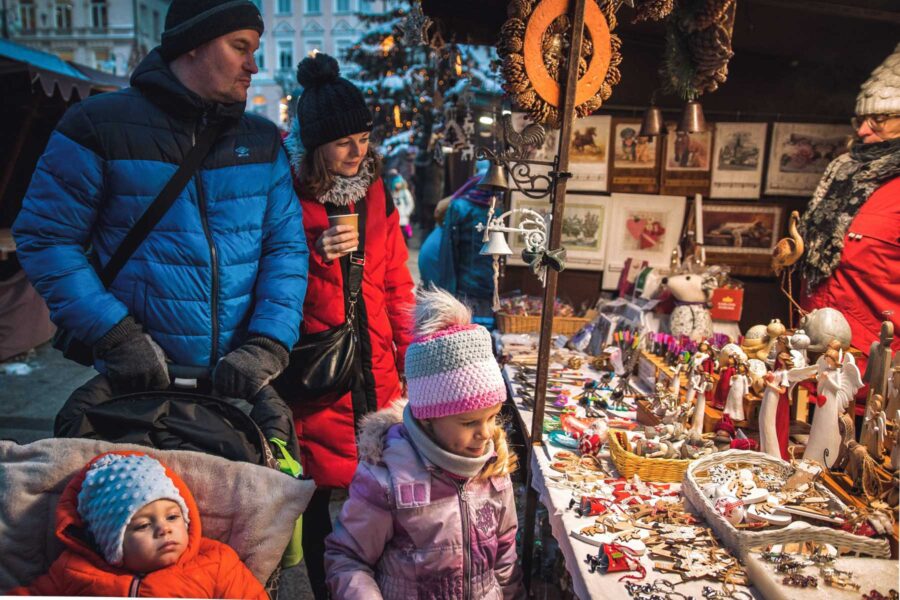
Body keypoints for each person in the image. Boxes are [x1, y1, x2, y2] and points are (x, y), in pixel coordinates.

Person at [12, 0, 308, 405]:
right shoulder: (97, 125)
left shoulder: (260, 140)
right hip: (137, 386)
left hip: (237, 387)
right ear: (193, 44)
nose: (253, 66)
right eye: (240, 47)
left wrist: (268, 341)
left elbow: (286, 247)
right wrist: (115, 336)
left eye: (254, 50)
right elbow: (46, 238)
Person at [281, 51, 415, 599]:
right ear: (315, 147)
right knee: (315, 499)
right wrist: (317, 253)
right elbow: (273, 278)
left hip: (375, 364)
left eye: (364, 137)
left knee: (379, 493)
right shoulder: (286, 194)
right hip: (316, 367)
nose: (359, 151)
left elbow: (396, 282)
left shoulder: (374, 192)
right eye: (344, 142)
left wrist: (412, 356)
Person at [324, 287, 524, 599]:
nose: (485, 433)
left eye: (492, 417)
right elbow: (347, 558)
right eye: (468, 422)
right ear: (428, 417)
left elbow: (505, 554)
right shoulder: (387, 477)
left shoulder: (494, 469)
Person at [9, 452, 266, 598]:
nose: (164, 529)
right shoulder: (74, 572)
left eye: (173, 517)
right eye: (143, 525)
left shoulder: (215, 563)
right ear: (111, 543)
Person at [799, 42, 900, 371]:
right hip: (813, 362)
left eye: (880, 119)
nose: (862, 130)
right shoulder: (841, 176)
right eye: (860, 119)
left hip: (874, 376)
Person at [436, 174, 498, 324]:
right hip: (488, 287)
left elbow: (448, 253)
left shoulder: (460, 207)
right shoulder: (498, 208)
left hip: (465, 287)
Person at [385, 169, 415, 241]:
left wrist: (407, 212)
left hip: (403, 217)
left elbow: (410, 203)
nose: (397, 185)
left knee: (404, 236)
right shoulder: (392, 193)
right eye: (396, 183)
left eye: (398, 183)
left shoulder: (405, 192)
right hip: (395, 218)